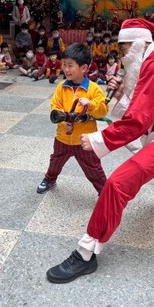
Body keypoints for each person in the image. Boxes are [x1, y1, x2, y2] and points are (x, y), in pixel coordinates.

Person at [46, 18, 154, 284]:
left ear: (137, 44)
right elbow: (140, 104)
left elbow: (139, 118)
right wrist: (122, 92)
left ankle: (87, 251)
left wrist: (101, 140)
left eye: (123, 50)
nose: (122, 58)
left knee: (120, 182)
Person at [37, 43, 108, 196]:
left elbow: (103, 110)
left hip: (85, 140)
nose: (66, 69)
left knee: (93, 167)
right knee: (56, 160)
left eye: (70, 65)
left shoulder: (94, 89)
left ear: (83, 68)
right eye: (64, 65)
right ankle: (50, 179)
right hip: (63, 137)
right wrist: (64, 120)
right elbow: (55, 106)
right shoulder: (62, 86)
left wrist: (91, 105)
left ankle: (105, 192)